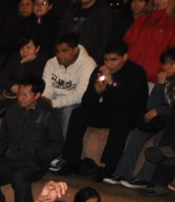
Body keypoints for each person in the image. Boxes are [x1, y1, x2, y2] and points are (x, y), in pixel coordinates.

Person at [56, 40, 147, 182]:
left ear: (124, 57)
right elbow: (87, 102)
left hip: (130, 113)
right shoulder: (100, 70)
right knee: (79, 113)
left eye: (114, 60)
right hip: (109, 109)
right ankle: (71, 161)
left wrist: (112, 84)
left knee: (120, 119)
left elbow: (126, 103)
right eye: (106, 59)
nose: (109, 64)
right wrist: (96, 91)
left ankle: (110, 167)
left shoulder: (136, 72)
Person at [0, 76, 63, 202]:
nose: (21, 98)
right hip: (12, 158)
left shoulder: (48, 113)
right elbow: (3, 137)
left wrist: (40, 158)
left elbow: (56, 143)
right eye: (19, 93)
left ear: (37, 95)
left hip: (34, 161)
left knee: (20, 176)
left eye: (26, 95)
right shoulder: (12, 111)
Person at [107, 48, 175, 189]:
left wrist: (159, 110)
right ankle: (122, 173)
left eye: (171, 63)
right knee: (139, 131)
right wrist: (158, 86)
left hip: (171, 124)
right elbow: (150, 104)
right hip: (162, 120)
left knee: (162, 138)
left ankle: (145, 177)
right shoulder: (164, 80)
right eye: (165, 63)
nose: (166, 67)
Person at [42, 34, 96, 166]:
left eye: (65, 51)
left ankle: (59, 157)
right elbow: (47, 88)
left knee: (67, 112)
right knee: (39, 107)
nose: (60, 55)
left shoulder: (88, 64)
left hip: (76, 102)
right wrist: (45, 99)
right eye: (58, 51)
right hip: (56, 99)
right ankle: (38, 152)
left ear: (75, 50)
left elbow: (80, 95)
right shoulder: (51, 63)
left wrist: (54, 103)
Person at [124, 0, 175, 83]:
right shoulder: (142, 19)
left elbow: (172, 53)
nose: (159, 1)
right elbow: (127, 43)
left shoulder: (172, 23)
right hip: (132, 73)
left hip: (156, 77)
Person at [0, 36, 48, 106]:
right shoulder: (15, 57)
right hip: (11, 94)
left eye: (28, 47)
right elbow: (1, 78)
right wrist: (11, 86)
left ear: (37, 48)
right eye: (22, 48)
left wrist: (22, 64)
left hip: (30, 97)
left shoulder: (42, 60)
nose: (24, 51)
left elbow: (30, 83)